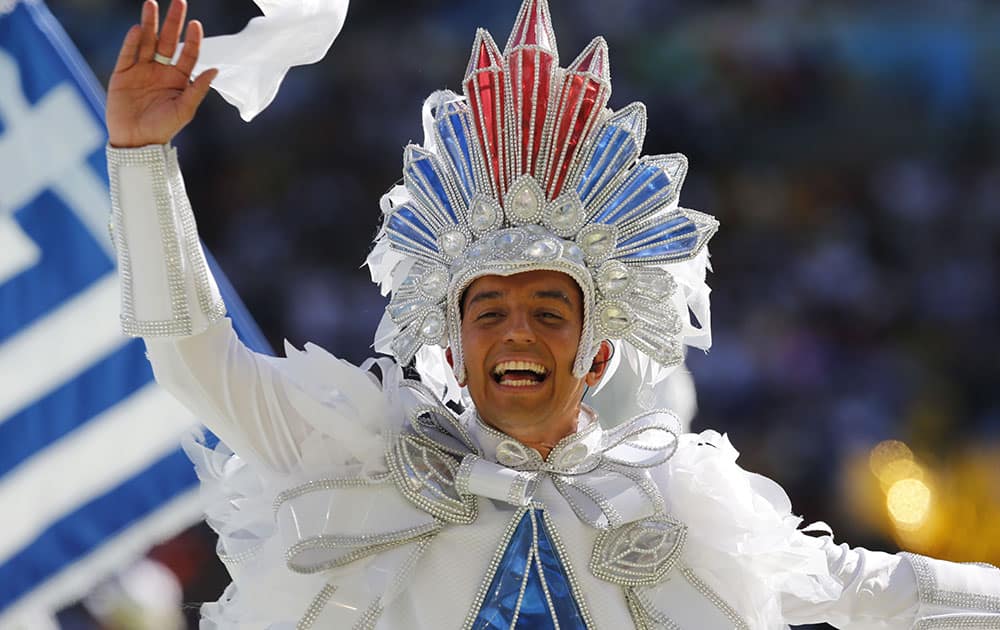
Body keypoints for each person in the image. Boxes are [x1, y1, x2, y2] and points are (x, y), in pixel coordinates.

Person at [105, 0, 1000, 628]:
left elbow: (866, 589)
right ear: (450, 348)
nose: (517, 331)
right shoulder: (363, 457)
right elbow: (194, 358)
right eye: (487, 309)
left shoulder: (679, 503)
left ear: (600, 354)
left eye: (547, 308)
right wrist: (141, 159)